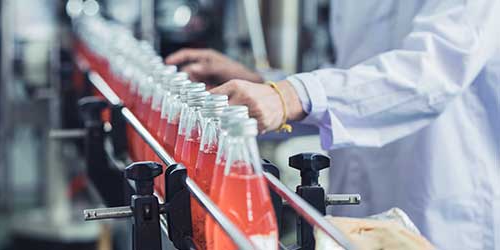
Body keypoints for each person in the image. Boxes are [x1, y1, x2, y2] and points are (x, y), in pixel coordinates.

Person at [166, 1, 500, 249]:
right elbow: (353, 83)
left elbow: (429, 74)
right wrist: (261, 85)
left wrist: (289, 96)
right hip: (356, 209)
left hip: (444, 206)